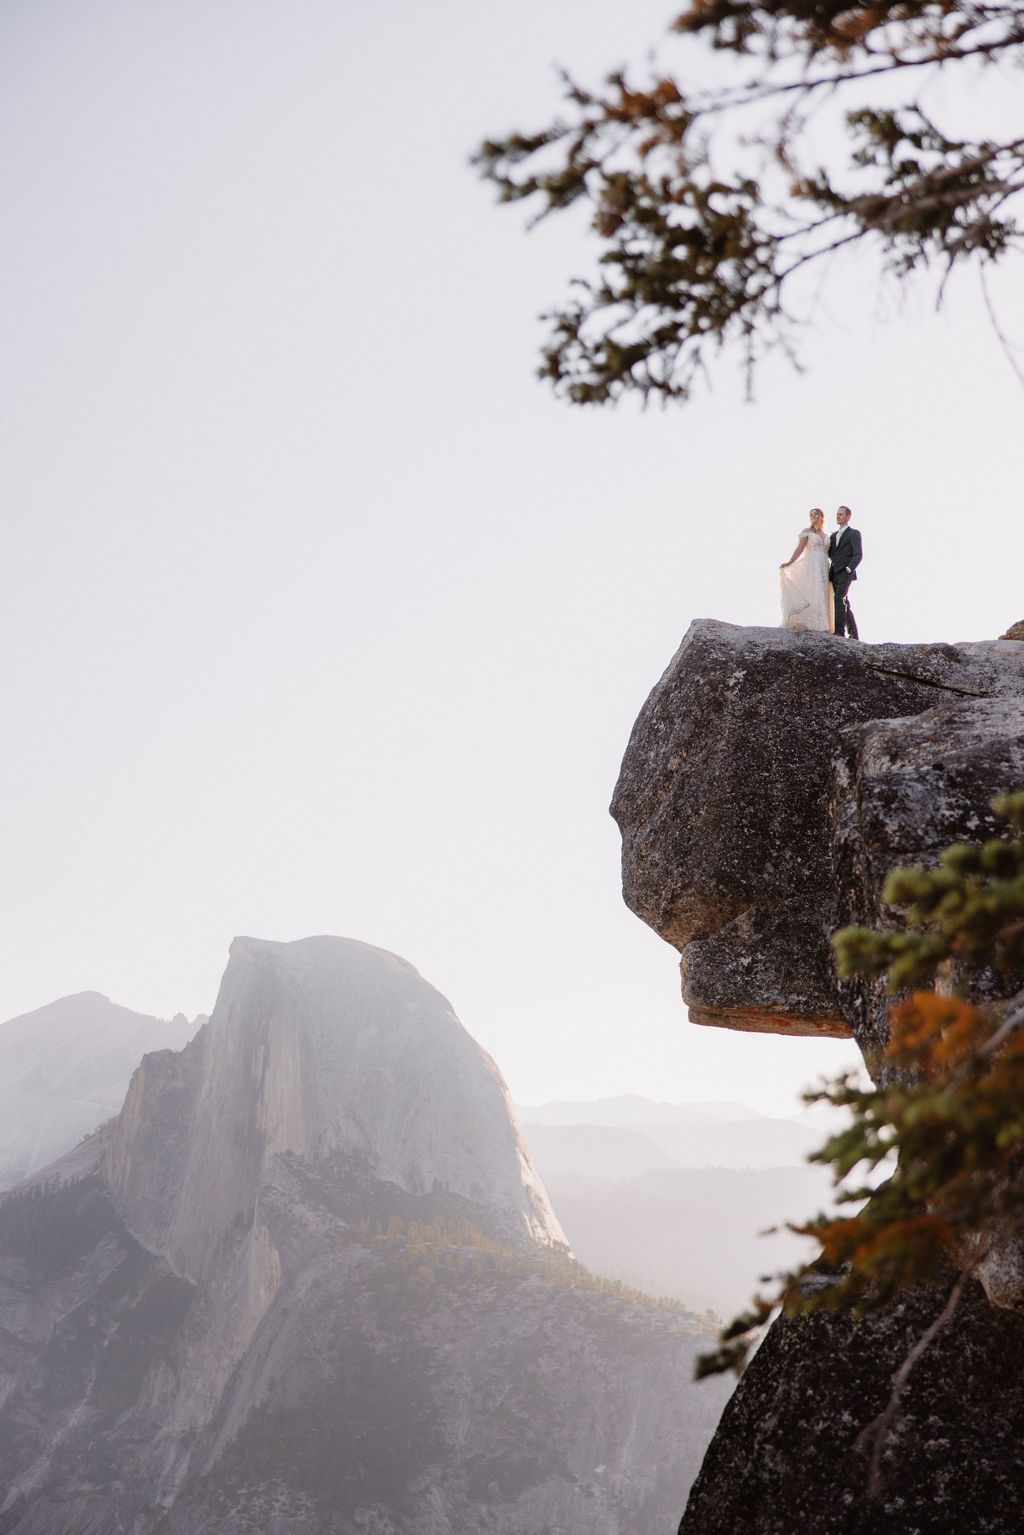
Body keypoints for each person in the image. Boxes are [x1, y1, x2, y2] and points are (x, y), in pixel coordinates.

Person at [779, 507, 834, 632]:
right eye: (811, 514)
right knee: (813, 590)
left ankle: (823, 623)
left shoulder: (826, 535)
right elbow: (800, 548)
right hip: (812, 564)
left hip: (824, 565)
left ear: (821, 517)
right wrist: (790, 561)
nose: (813, 516)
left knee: (824, 591)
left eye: (815, 514)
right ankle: (809, 621)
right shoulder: (807, 532)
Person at [829, 505, 862, 638]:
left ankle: (839, 631)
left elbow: (858, 554)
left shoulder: (853, 533)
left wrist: (849, 568)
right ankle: (853, 633)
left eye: (841, 514)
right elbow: (832, 554)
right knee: (844, 602)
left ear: (848, 517)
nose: (838, 516)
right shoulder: (833, 537)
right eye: (837, 514)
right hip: (834, 572)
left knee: (838, 598)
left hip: (846, 572)